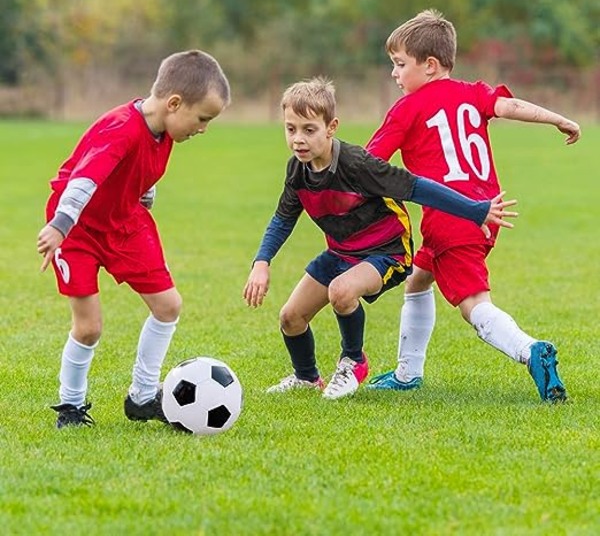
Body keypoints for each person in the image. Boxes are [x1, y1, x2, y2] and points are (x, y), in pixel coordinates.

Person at [243, 77, 517, 400]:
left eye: (309, 129)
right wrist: (262, 262)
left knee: (341, 291)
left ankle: (353, 361)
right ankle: (306, 377)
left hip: (387, 251)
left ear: (331, 127)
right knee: (290, 318)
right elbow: (283, 218)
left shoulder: (357, 165)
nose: (298, 139)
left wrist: (475, 210)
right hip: (342, 252)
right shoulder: (297, 171)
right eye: (291, 129)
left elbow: (418, 188)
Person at [365, 9, 580, 402]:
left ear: (429, 66)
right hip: (485, 210)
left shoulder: (407, 109)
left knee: (474, 306)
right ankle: (407, 372)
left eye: (399, 64)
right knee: (418, 279)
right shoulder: (473, 92)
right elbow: (511, 107)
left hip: (451, 217)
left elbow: (369, 163)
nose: (394, 74)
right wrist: (559, 119)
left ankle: (530, 350)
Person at [37, 50, 231, 428]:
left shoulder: (164, 131)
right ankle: (71, 406)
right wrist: (60, 226)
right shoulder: (121, 127)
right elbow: (84, 180)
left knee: (168, 305)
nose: (203, 128)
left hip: (125, 223)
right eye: (202, 118)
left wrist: (145, 194)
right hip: (77, 228)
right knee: (89, 326)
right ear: (174, 103)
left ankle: (142, 397)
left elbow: (139, 172)